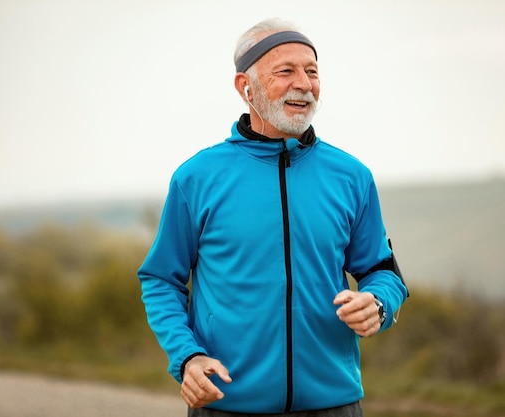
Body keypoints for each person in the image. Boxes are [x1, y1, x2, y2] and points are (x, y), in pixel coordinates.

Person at [138, 17, 409, 417]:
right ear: (245, 88)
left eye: (312, 71)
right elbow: (161, 280)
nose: (304, 83)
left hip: (334, 404)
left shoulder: (351, 176)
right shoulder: (196, 178)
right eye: (286, 71)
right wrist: (188, 357)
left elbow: (384, 271)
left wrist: (379, 304)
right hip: (227, 404)